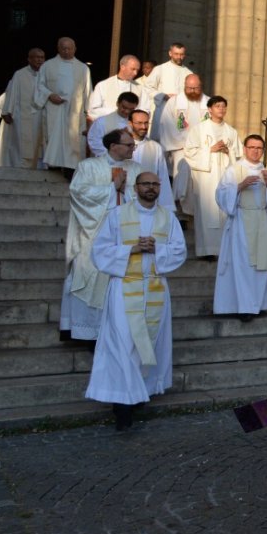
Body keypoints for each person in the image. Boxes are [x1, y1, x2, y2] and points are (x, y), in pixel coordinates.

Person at [84, 172, 186, 430]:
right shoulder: (117, 216)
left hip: (154, 286)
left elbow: (179, 250)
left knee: (149, 341)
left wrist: (158, 249)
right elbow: (100, 251)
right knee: (124, 342)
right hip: (124, 287)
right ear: (136, 187)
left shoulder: (168, 218)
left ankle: (139, 393)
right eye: (145, 184)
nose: (150, 188)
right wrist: (131, 249)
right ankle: (122, 405)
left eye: (155, 184)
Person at [60, 129, 143, 341]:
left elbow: (147, 198)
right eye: (128, 145)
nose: (133, 148)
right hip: (94, 231)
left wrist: (125, 191)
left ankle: (116, 332)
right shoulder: (88, 166)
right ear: (113, 146)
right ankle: (87, 333)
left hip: (125, 232)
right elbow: (78, 193)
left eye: (133, 145)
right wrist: (111, 188)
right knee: (89, 276)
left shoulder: (137, 170)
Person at [213, 135, 267, 319]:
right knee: (243, 264)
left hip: (262, 220)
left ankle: (258, 304)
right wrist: (239, 186)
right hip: (241, 220)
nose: (255, 151)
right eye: (252, 147)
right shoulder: (233, 170)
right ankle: (244, 307)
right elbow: (220, 195)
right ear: (244, 149)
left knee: (261, 264)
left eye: (259, 148)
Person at [181, 96, 241, 258]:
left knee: (224, 212)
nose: (221, 109)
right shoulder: (199, 129)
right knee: (207, 212)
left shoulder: (231, 131)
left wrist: (229, 152)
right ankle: (207, 250)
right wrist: (210, 150)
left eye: (224, 106)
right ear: (210, 110)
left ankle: (224, 250)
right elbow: (189, 152)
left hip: (225, 175)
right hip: (206, 177)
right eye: (217, 106)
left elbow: (239, 155)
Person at [34, 36, 91, 173]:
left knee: (73, 140)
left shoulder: (83, 68)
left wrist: (88, 113)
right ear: (58, 49)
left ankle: (71, 170)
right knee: (54, 138)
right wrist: (50, 95)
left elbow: (87, 91)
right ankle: (53, 167)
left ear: (75, 49)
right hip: (54, 109)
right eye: (63, 48)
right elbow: (39, 86)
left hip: (75, 111)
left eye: (69, 48)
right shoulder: (48, 66)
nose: (66, 51)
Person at [155, 73, 209, 193]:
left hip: (203, 148)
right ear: (184, 86)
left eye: (196, 88)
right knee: (182, 176)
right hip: (180, 148)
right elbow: (166, 125)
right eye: (190, 88)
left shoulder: (209, 103)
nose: (193, 91)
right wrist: (186, 144)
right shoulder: (173, 102)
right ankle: (180, 202)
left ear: (201, 86)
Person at [0, 47, 46, 168]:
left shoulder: (47, 73)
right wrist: (6, 111)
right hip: (23, 116)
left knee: (40, 145)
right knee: (22, 145)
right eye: (37, 57)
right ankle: (21, 168)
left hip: (41, 116)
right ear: (29, 59)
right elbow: (11, 92)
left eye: (42, 58)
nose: (40, 60)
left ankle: (40, 168)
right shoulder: (20, 74)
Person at [144, 42, 193, 141]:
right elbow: (147, 87)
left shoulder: (188, 73)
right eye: (176, 54)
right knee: (160, 140)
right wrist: (163, 96)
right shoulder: (160, 69)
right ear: (170, 53)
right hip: (163, 110)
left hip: (181, 113)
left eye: (182, 54)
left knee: (178, 141)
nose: (179, 57)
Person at [128, 109, 174, 212]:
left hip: (148, 201)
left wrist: (166, 207)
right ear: (130, 123)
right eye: (139, 123)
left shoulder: (155, 147)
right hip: (125, 202)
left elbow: (162, 177)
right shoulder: (121, 146)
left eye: (146, 123)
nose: (143, 127)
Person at [88, 54, 147, 122]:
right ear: (122, 66)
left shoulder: (140, 88)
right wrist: (116, 111)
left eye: (137, 70)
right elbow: (93, 110)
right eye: (133, 69)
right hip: (108, 126)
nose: (135, 73)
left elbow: (145, 109)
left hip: (129, 128)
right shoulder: (103, 85)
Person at [86, 92, 140, 157]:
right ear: (117, 103)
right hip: (108, 162)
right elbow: (94, 141)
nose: (127, 111)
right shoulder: (102, 122)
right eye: (124, 107)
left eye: (131, 109)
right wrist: (112, 155)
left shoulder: (137, 123)